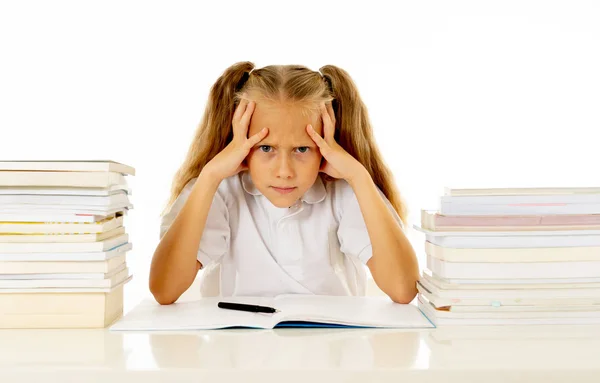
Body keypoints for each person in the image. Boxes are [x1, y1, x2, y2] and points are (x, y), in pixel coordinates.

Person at [149, 61, 419, 305]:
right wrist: (209, 177)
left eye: (302, 149)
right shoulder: (219, 190)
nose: (284, 171)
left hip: (330, 352)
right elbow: (164, 289)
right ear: (239, 142)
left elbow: (403, 289)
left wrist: (359, 176)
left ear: (326, 144)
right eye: (266, 148)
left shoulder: (346, 191)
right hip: (237, 353)